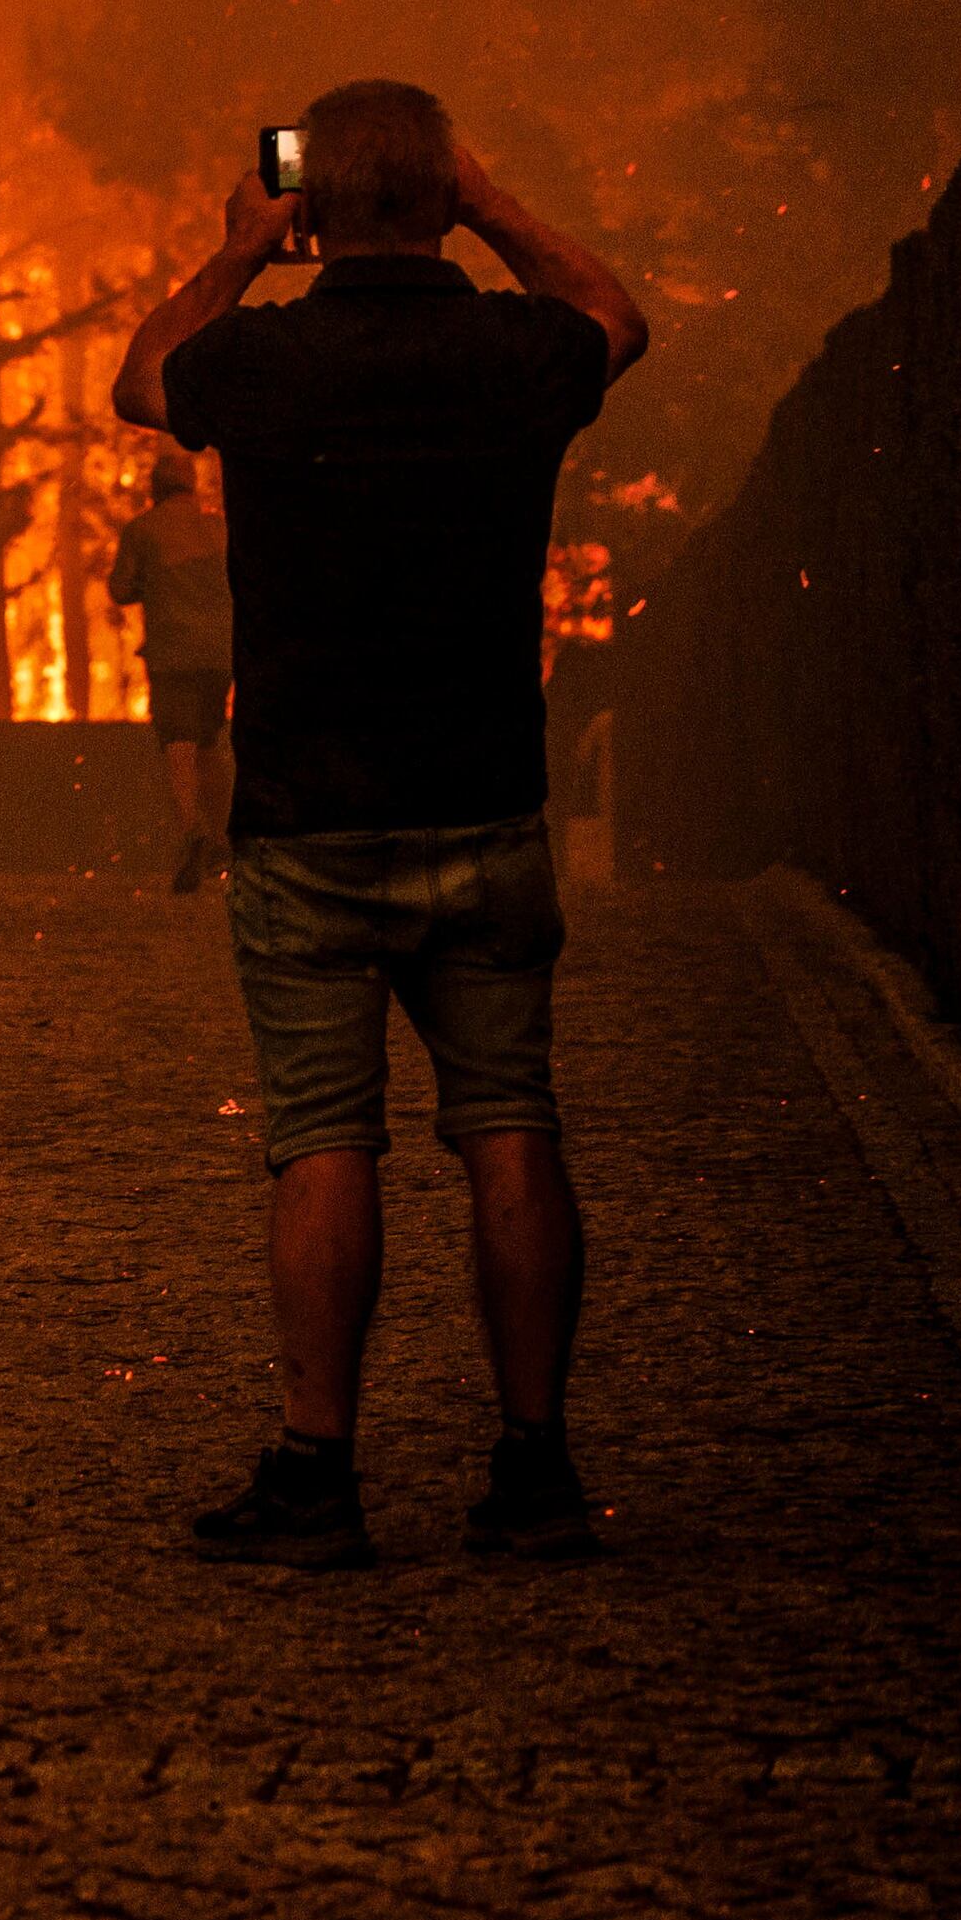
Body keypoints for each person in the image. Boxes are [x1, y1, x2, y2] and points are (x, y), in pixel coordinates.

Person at [112, 78, 647, 1572]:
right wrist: (496, 207)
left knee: (322, 1143)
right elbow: (619, 314)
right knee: (511, 1127)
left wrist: (235, 250)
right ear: (441, 190)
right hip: (482, 793)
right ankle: (535, 1467)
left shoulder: (267, 358)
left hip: (305, 815)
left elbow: (140, 383)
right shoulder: (513, 351)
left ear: (314, 207)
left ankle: (317, 1472)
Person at [106, 446, 236, 893]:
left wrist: (152, 583)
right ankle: (221, 836)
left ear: (154, 488)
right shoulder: (220, 528)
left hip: (172, 650)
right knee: (210, 741)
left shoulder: (145, 530)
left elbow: (121, 588)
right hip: (220, 653)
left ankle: (194, 828)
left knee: (177, 742)